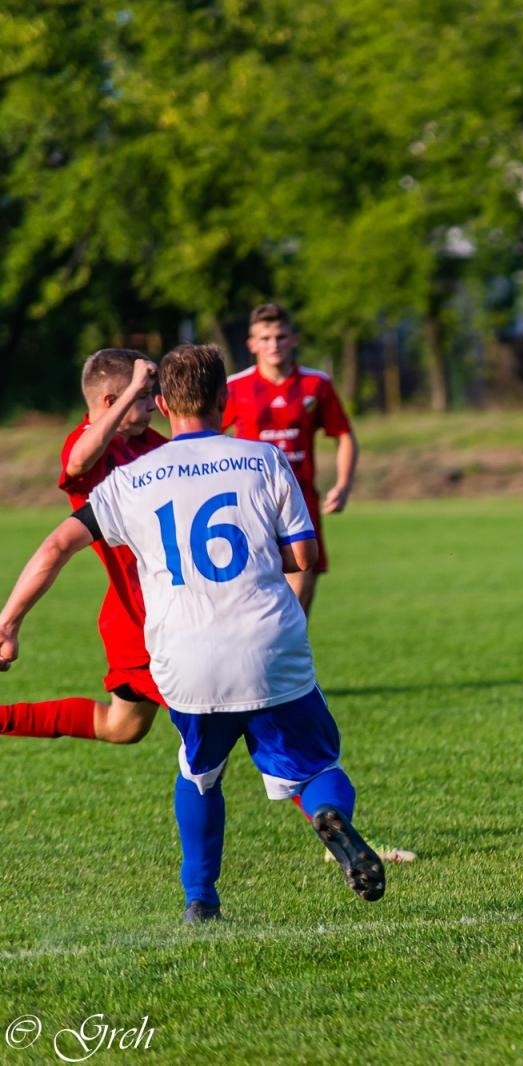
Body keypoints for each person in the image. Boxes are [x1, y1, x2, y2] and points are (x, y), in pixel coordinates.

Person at [0, 344, 386, 922]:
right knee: (314, 767)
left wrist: (8, 623)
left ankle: (199, 900)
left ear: (162, 402)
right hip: (260, 638)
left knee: (197, 772)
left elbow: (58, 543)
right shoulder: (260, 458)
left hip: (181, 648)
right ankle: (329, 815)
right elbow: (301, 555)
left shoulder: (134, 474)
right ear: (225, 399)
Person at [0, 350, 167, 744]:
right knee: (231, 715)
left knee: (122, 727)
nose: (150, 406)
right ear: (112, 401)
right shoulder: (87, 447)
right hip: (142, 614)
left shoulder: (149, 443)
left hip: (144, 605)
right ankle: (316, 796)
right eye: (143, 396)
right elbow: (77, 462)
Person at [224, 303, 358, 616]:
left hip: (300, 500)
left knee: (302, 582)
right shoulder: (235, 387)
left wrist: (343, 485)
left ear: (293, 339)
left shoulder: (316, 384)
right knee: (249, 587)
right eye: (266, 338)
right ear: (252, 344)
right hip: (249, 500)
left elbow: (344, 435)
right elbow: (206, 437)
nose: (274, 344)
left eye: (281, 336)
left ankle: (289, 653)